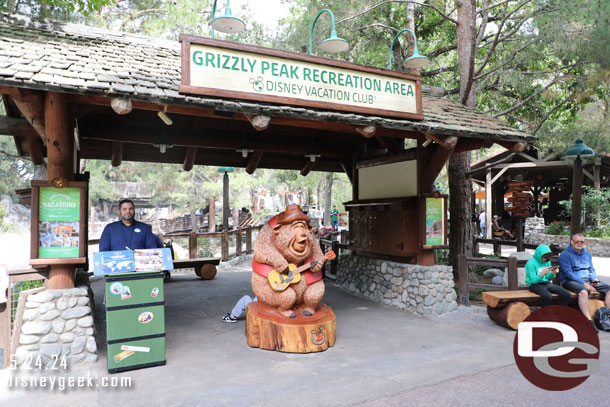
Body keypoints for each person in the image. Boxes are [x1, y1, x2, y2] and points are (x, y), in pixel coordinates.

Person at [559, 232, 610, 332]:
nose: (579, 243)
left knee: (608, 289)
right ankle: (588, 320)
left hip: (587, 281)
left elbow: (591, 270)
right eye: (577, 241)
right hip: (571, 281)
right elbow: (569, 274)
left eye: (582, 242)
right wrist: (585, 284)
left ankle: (607, 315)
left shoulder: (587, 255)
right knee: (583, 291)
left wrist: (594, 279)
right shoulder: (565, 255)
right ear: (572, 242)